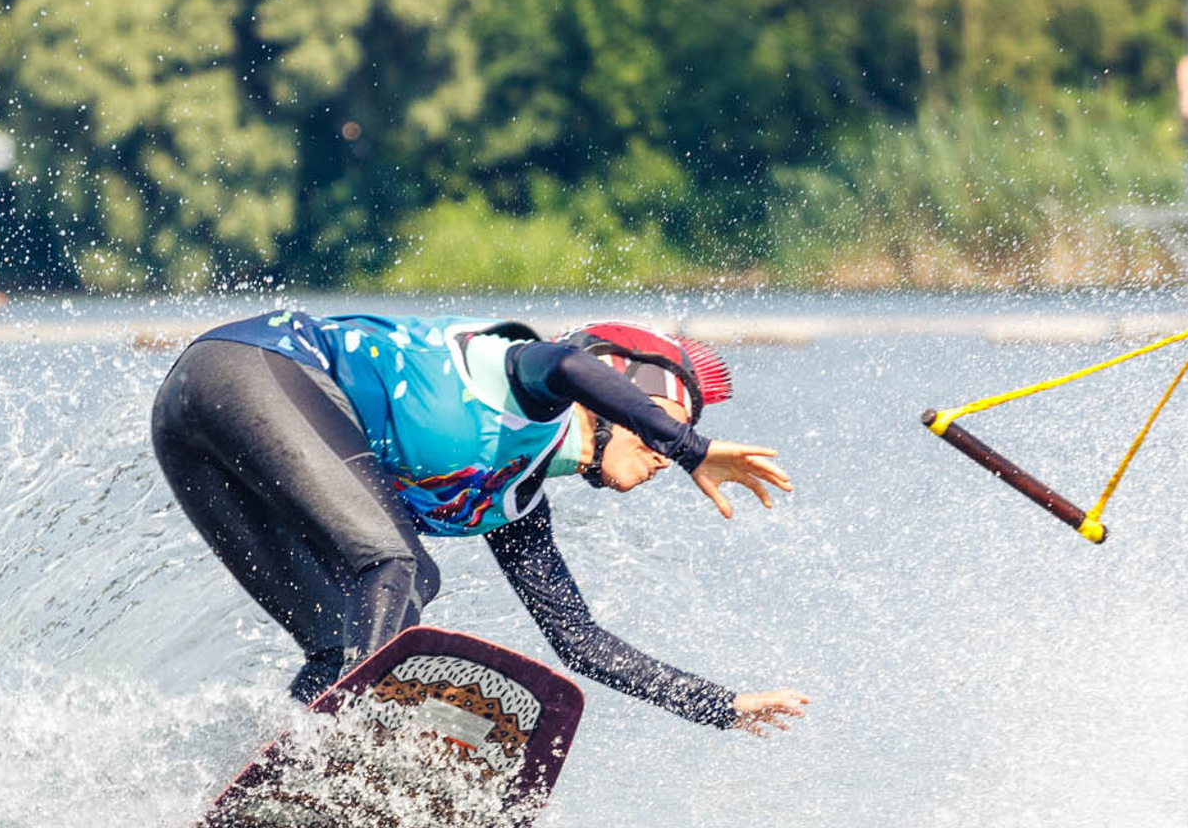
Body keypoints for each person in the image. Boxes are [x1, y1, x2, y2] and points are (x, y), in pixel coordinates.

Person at [150, 309, 810, 734]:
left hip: (196, 440)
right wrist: (691, 448)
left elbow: (579, 641)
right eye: (667, 427)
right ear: (620, 390)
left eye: (677, 438)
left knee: (338, 642)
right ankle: (345, 756)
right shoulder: (533, 382)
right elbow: (570, 362)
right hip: (244, 370)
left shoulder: (514, 500)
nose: (667, 450)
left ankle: (282, 777)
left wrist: (717, 705)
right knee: (399, 566)